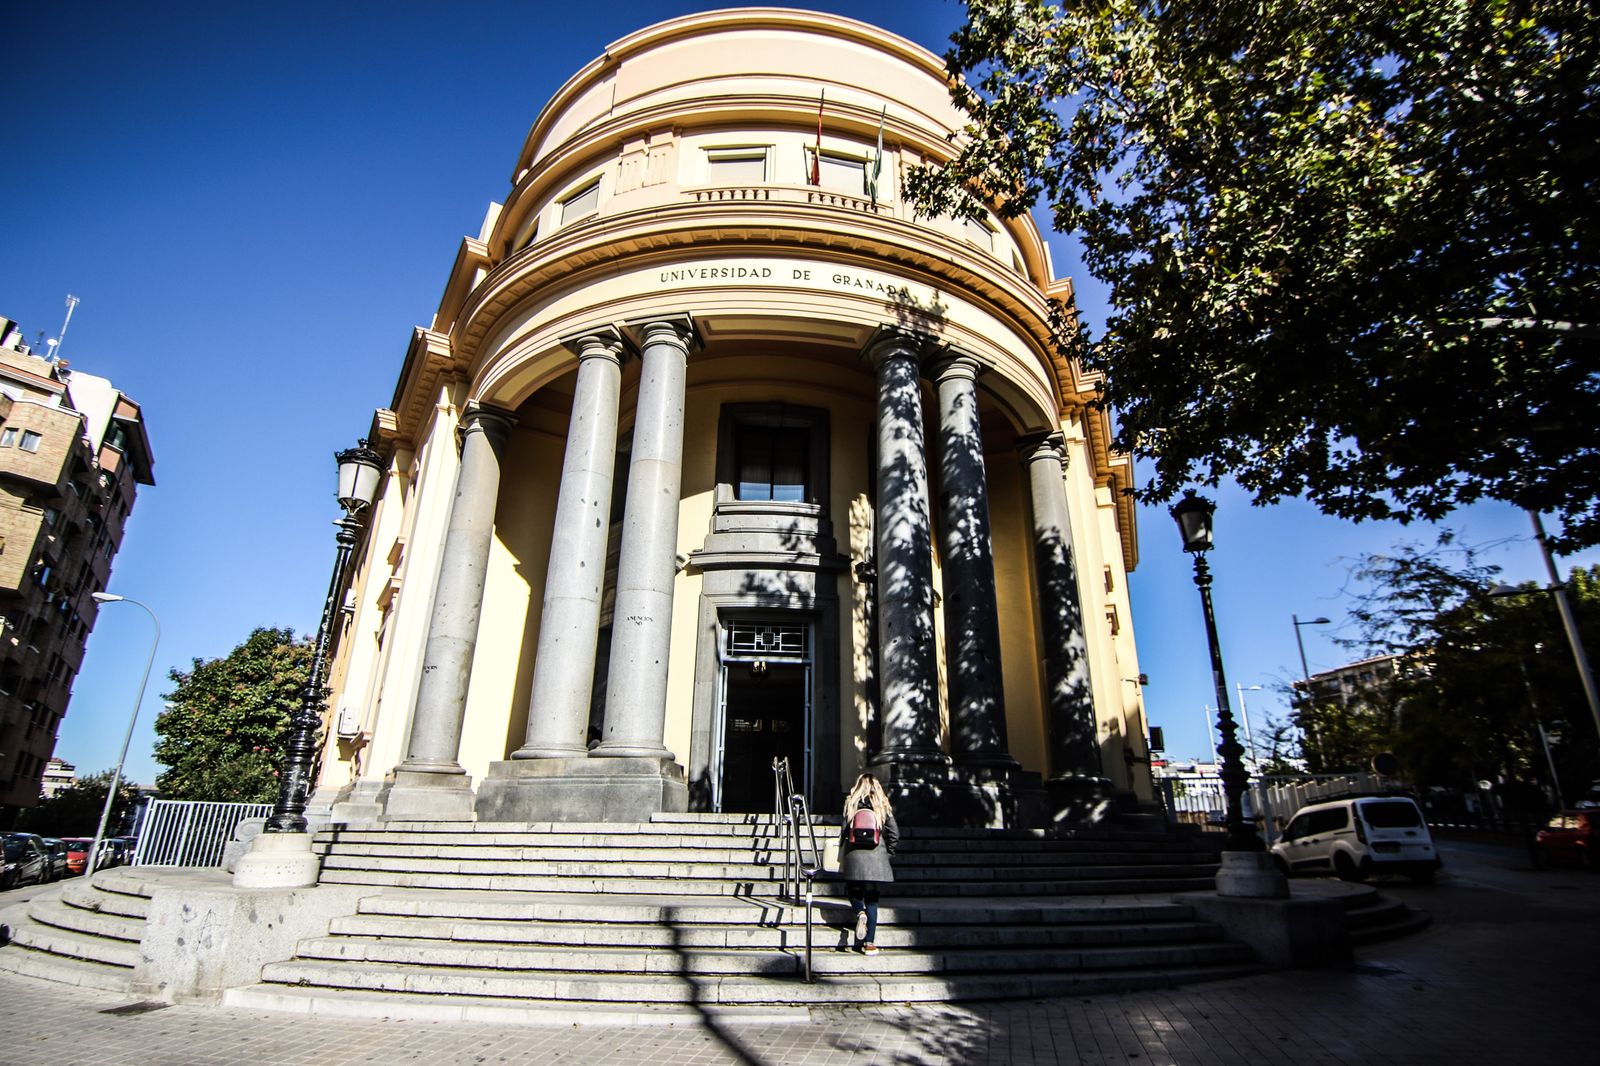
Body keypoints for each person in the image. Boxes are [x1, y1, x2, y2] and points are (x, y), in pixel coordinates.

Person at [839, 772, 898, 955]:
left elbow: (843, 832)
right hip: (876, 857)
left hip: (855, 856)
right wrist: (888, 853)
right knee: (872, 900)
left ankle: (859, 913)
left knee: (853, 892)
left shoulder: (851, 804)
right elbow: (894, 833)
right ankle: (869, 944)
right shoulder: (882, 805)